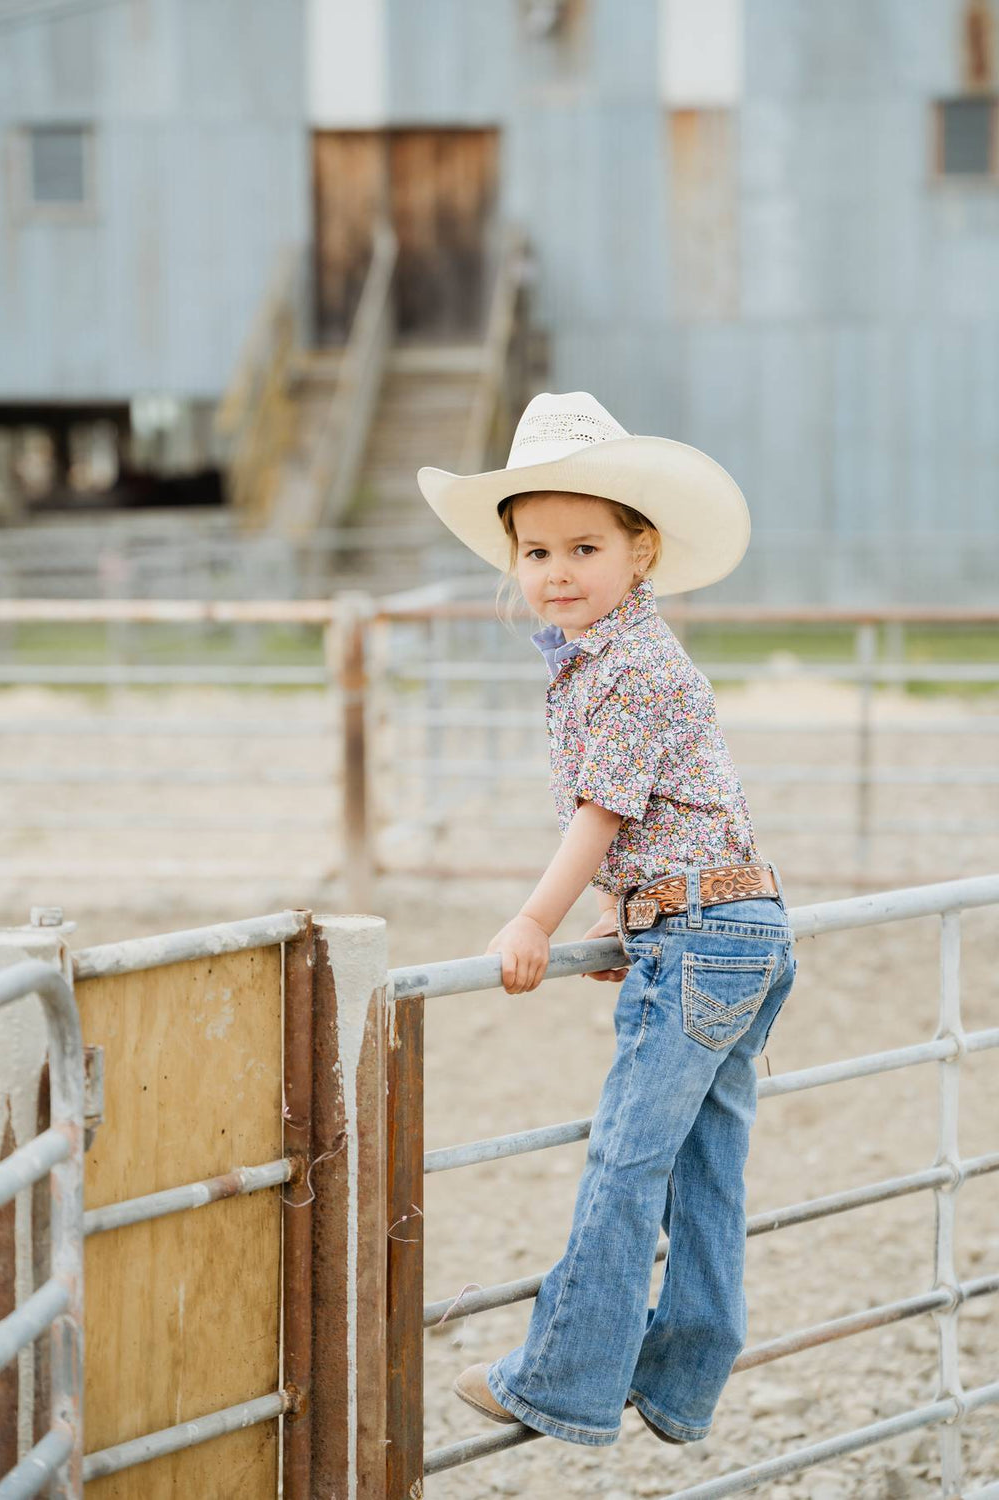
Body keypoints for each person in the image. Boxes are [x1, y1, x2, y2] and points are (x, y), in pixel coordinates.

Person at [415, 391, 798, 1448]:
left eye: (585, 546)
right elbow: (661, 821)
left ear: (642, 551)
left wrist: (536, 921)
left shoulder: (627, 668)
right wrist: (629, 921)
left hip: (701, 940)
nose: (556, 571)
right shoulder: (615, 656)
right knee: (704, 1163)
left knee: (626, 1166)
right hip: (730, 925)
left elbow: (602, 813)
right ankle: (682, 1377)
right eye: (534, 551)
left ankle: (563, 1378)